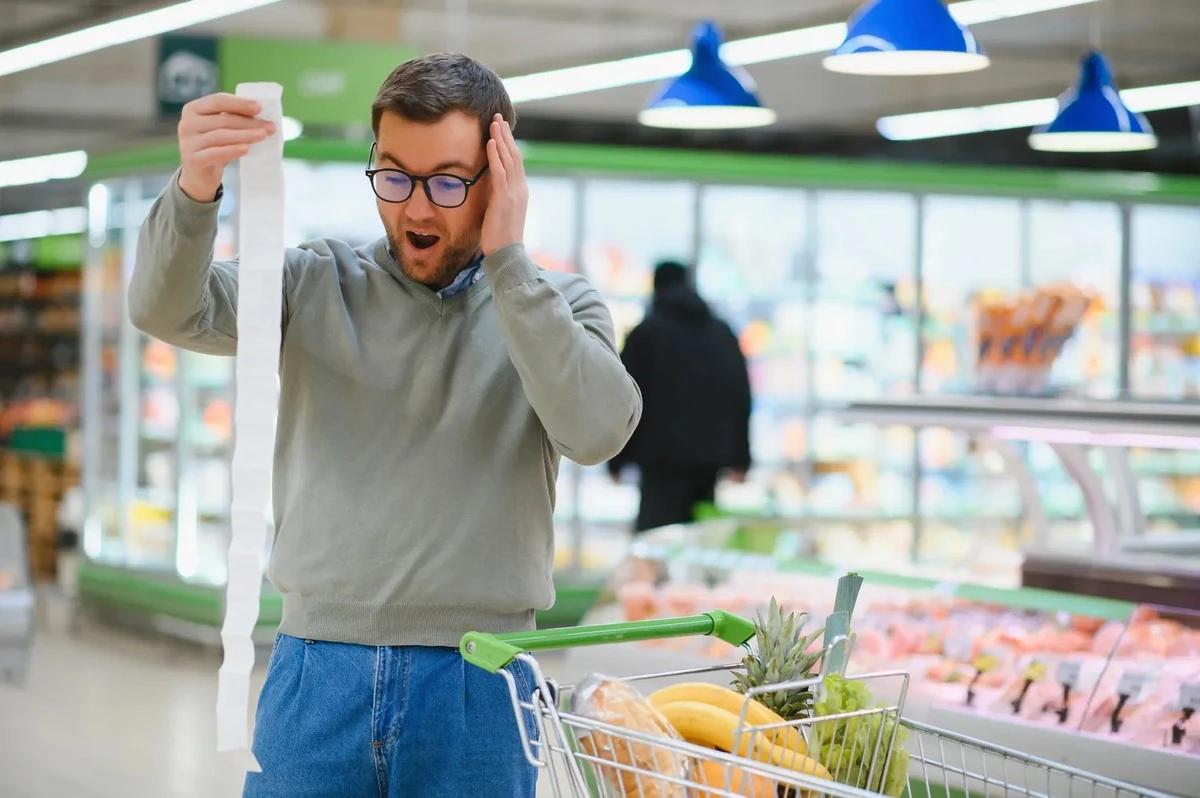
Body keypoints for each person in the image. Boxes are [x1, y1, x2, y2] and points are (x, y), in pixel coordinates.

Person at [128, 54, 642, 797]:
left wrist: (510, 265)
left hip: (481, 679)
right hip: (315, 672)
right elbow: (166, 309)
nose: (417, 209)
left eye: (447, 182)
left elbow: (599, 431)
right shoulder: (312, 281)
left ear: (498, 179)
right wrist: (194, 188)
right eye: (394, 177)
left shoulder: (555, 307)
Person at [607, 261, 752, 533]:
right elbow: (740, 396)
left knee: (656, 544)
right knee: (699, 541)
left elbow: (623, 396)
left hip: (659, 460)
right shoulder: (721, 333)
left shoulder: (647, 334)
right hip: (710, 460)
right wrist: (741, 458)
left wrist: (616, 459)